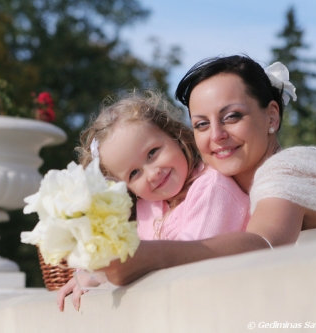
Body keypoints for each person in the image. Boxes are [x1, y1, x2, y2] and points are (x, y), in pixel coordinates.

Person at [59, 55, 316, 309]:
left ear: (271, 115)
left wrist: (144, 255)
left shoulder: (288, 170)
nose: (216, 135)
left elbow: (265, 244)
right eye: (201, 124)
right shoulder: (208, 186)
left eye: (232, 116)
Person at [57, 90, 250, 311]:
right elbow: (126, 254)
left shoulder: (211, 187)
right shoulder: (147, 206)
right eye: (134, 174)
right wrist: (90, 273)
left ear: (174, 135)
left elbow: (188, 256)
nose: (152, 173)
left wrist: (109, 270)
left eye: (152, 153)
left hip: (227, 305)